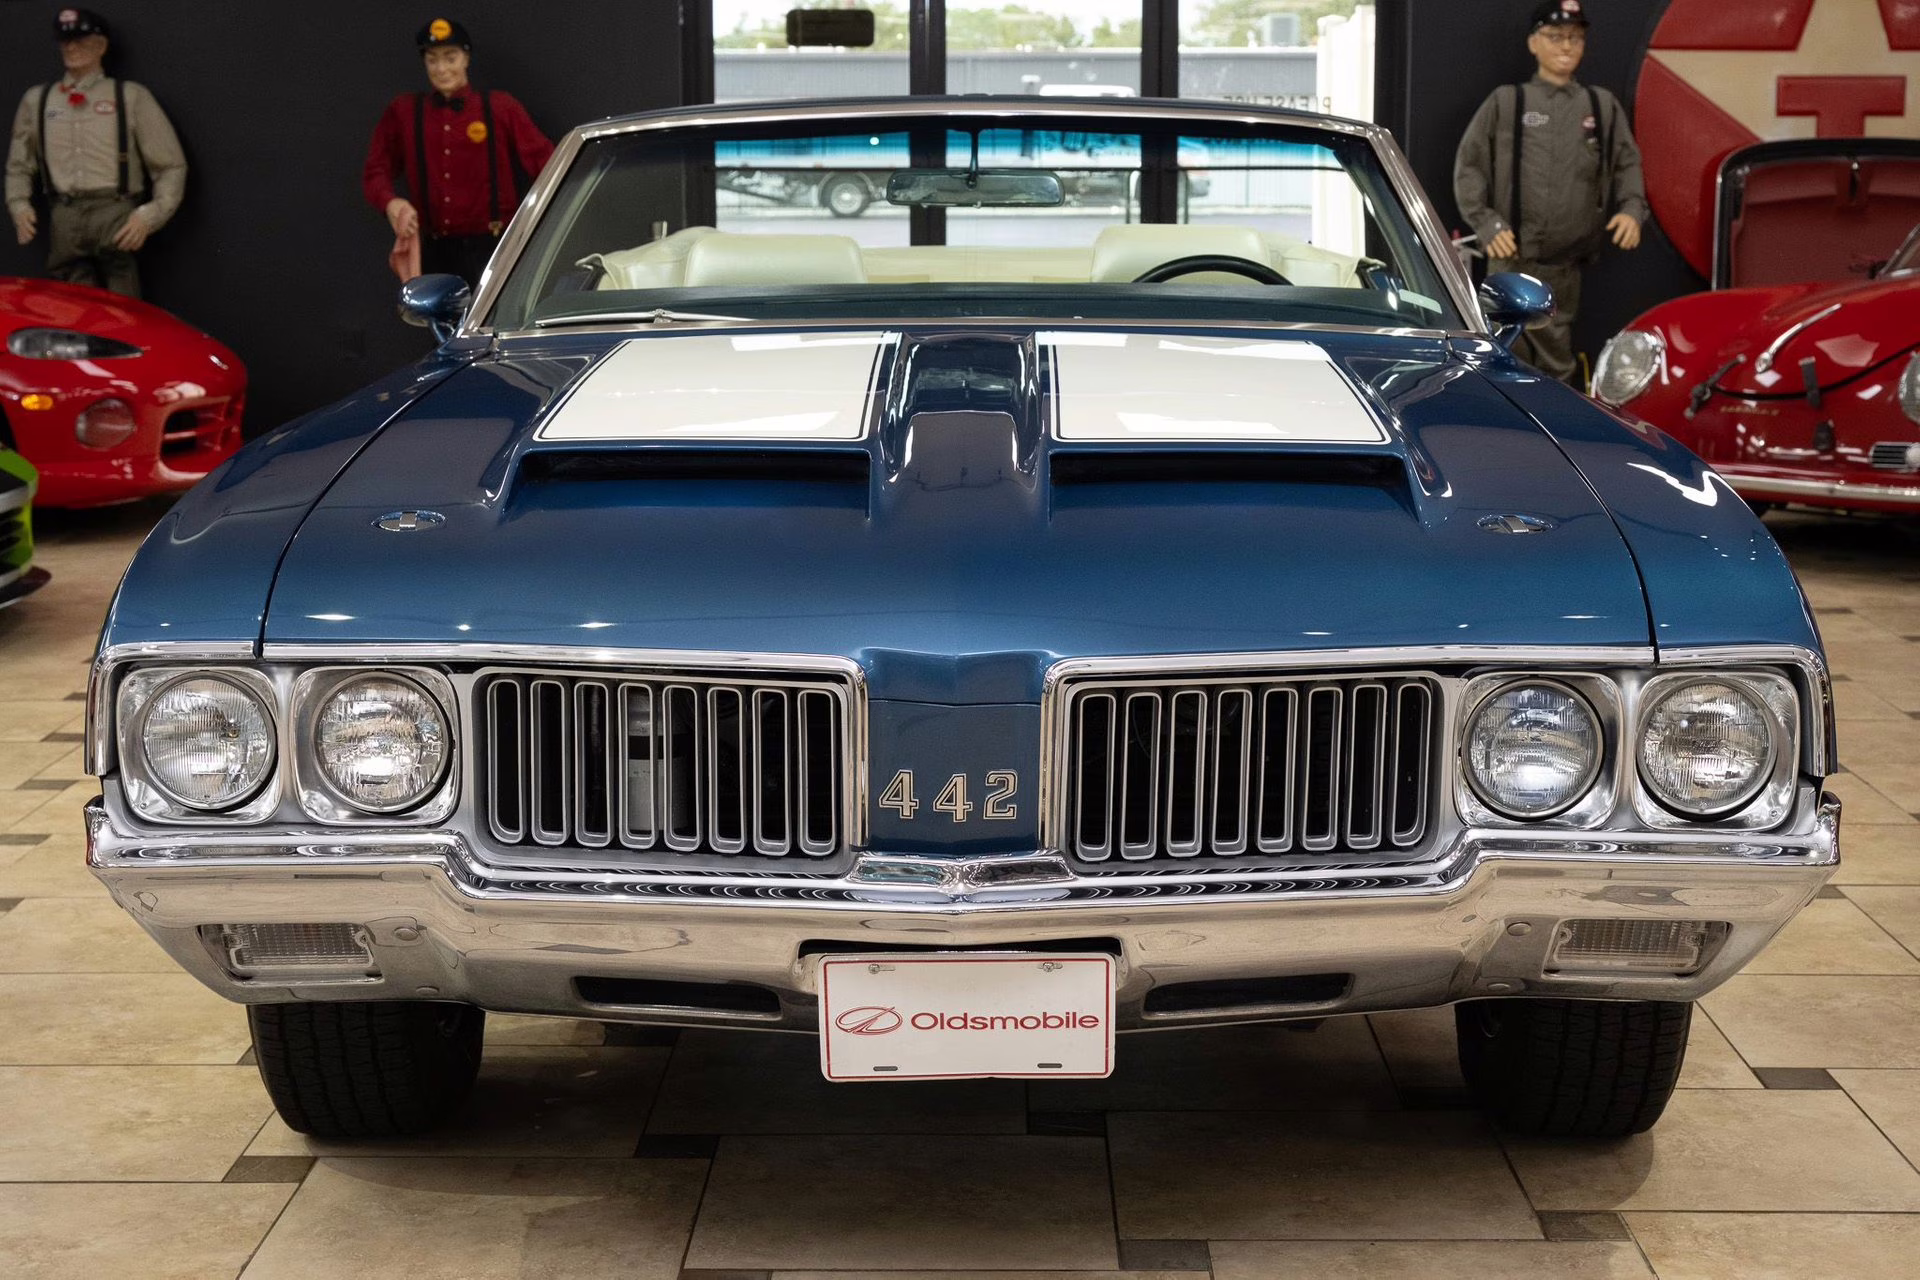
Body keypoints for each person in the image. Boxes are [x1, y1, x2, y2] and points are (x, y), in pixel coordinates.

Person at [1453, 0, 1648, 386]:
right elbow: (1469, 166)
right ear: (1534, 42)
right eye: (1555, 36)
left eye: (1575, 38)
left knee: (1556, 362)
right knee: (1499, 357)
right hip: (1510, 262)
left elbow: (1628, 162)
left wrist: (1631, 208)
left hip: (1564, 269)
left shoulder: (1599, 106)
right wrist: (1486, 222)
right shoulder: (1509, 102)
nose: (1566, 46)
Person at [4, 8, 188, 299]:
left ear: (101, 46)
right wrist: (19, 204)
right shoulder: (38, 101)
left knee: (124, 304)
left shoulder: (130, 97)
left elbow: (170, 165)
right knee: (71, 302)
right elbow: (18, 164)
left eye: (81, 40)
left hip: (115, 213)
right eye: (65, 41)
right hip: (64, 215)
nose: (71, 48)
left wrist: (150, 215)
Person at [362, 18, 555, 288]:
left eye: (450, 58)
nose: (441, 69)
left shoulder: (500, 108)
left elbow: (547, 163)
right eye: (432, 60)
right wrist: (390, 202)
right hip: (435, 251)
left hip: (494, 248)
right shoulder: (404, 112)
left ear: (466, 58)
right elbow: (375, 172)